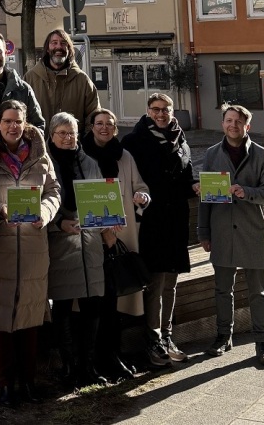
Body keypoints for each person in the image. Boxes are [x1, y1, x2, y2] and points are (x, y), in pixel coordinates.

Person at [0, 100, 60, 408]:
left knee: (29, 318)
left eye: (18, 121)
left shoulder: (39, 154)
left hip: (34, 246)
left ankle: (29, 381)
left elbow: (54, 192)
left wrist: (45, 213)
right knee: (0, 319)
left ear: (25, 123)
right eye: (7, 121)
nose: (13, 126)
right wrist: (0, 210)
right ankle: (6, 384)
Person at [195, 104, 264, 367]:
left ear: (247, 126)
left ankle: (262, 342)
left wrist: (247, 192)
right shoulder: (211, 154)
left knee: (258, 291)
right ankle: (223, 336)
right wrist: (204, 231)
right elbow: (205, 201)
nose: (233, 125)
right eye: (228, 120)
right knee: (222, 289)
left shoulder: (261, 155)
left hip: (252, 231)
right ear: (223, 124)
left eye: (238, 121)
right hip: (221, 232)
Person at [121, 93, 197, 367]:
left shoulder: (181, 138)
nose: (161, 114)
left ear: (172, 111)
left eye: (165, 109)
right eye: (156, 109)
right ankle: (152, 340)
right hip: (151, 220)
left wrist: (196, 187)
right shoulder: (133, 141)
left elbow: (185, 178)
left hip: (176, 218)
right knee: (154, 282)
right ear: (148, 111)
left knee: (172, 282)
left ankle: (167, 336)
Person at [81, 108, 150, 380]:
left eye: (109, 124)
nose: (104, 128)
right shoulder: (82, 155)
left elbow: (140, 187)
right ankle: (92, 361)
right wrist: (102, 231)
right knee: (93, 302)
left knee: (113, 301)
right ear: (91, 127)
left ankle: (113, 355)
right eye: (99, 124)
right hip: (92, 238)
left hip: (119, 237)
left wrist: (142, 198)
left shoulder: (125, 156)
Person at [45, 112, 108, 387]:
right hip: (60, 243)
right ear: (52, 135)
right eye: (62, 133)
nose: (68, 138)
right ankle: (70, 366)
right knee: (61, 305)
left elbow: (101, 197)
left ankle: (89, 366)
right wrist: (59, 223)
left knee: (93, 304)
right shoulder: (44, 164)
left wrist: (109, 221)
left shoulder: (90, 162)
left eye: (72, 133)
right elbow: (40, 202)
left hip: (90, 241)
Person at [23, 29, 100, 128]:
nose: (59, 47)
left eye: (63, 43)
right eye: (54, 43)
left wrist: (84, 140)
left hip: (72, 142)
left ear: (69, 49)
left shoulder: (82, 80)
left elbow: (93, 116)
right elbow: (21, 115)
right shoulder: (30, 78)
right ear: (47, 48)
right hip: (39, 142)